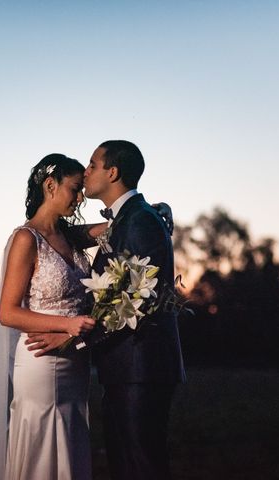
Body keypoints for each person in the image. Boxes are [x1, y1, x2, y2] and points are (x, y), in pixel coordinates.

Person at [0, 153, 102, 480]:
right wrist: (67, 325)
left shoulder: (70, 236)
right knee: (44, 440)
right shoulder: (25, 239)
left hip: (75, 361)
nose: (80, 198)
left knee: (71, 437)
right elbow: (8, 312)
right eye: (74, 190)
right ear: (50, 186)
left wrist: (152, 212)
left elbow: (114, 226)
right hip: (41, 359)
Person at [81, 140, 186, 479]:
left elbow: (141, 298)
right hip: (127, 366)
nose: (87, 171)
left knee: (141, 466)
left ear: (113, 172)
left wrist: (78, 336)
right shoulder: (132, 217)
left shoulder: (140, 220)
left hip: (141, 367)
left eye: (93, 164)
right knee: (126, 464)